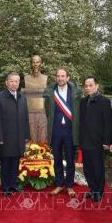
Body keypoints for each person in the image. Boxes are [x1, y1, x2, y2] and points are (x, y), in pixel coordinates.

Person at [43, 67, 81, 198]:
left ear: (68, 77)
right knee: (57, 159)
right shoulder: (50, 92)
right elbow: (48, 112)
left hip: (70, 130)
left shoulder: (75, 92)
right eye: (58, 76)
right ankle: (59, 184)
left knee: (70, 159)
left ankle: (69, 186)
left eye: (63, 76)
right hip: (56, 130)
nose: (60, 78)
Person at [0, 72, 30, 197]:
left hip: (19, 138)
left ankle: (13, 185)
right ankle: (6, 188)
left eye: (16, 81)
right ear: (7, 82)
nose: (14, 84)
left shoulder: (22, 97)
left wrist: (26, 136)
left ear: (19, 83)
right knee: (6, 164)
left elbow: (25, 118)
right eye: (12, 81)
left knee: (15, 163)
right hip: (5, 138)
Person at [79, 76, 112, 202]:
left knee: (98, 168)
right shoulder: (83, 102)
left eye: (90, 85)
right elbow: (81, 122)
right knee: (87, 169)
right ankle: (92, 190)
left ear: (96, 86)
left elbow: (107, 123)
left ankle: (99, 192)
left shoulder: (104, 102)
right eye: (86, 86)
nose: (88, 88)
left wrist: (107, 141)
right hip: (85, 141)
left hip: (98, 142)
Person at [23, 55, 48, 143]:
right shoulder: (26, 78)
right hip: (29, 113)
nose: (35, 64)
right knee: (31, 143)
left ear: (41, 64)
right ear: (31, 64)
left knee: (42, 142)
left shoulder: (45, 78)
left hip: (42, 113)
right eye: (33, 62)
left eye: (37, 62)